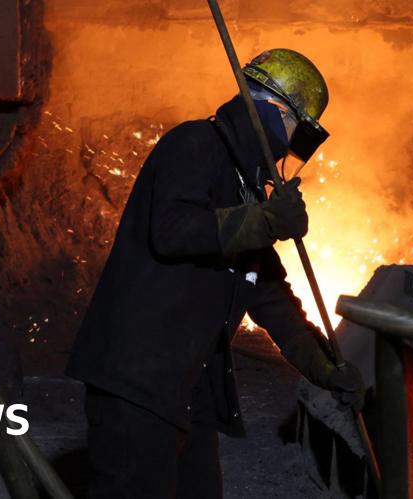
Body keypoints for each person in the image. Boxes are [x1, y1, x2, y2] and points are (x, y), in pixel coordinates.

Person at [66, 48, 365, 498]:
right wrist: (265, 222)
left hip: (189, 388)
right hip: (137, 383)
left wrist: (323, 365)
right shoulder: (193, 145)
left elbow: (270, 296)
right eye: (294, 132)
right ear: (272, 110)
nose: (290, 146)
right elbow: (172, 230)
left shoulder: (244, 188)